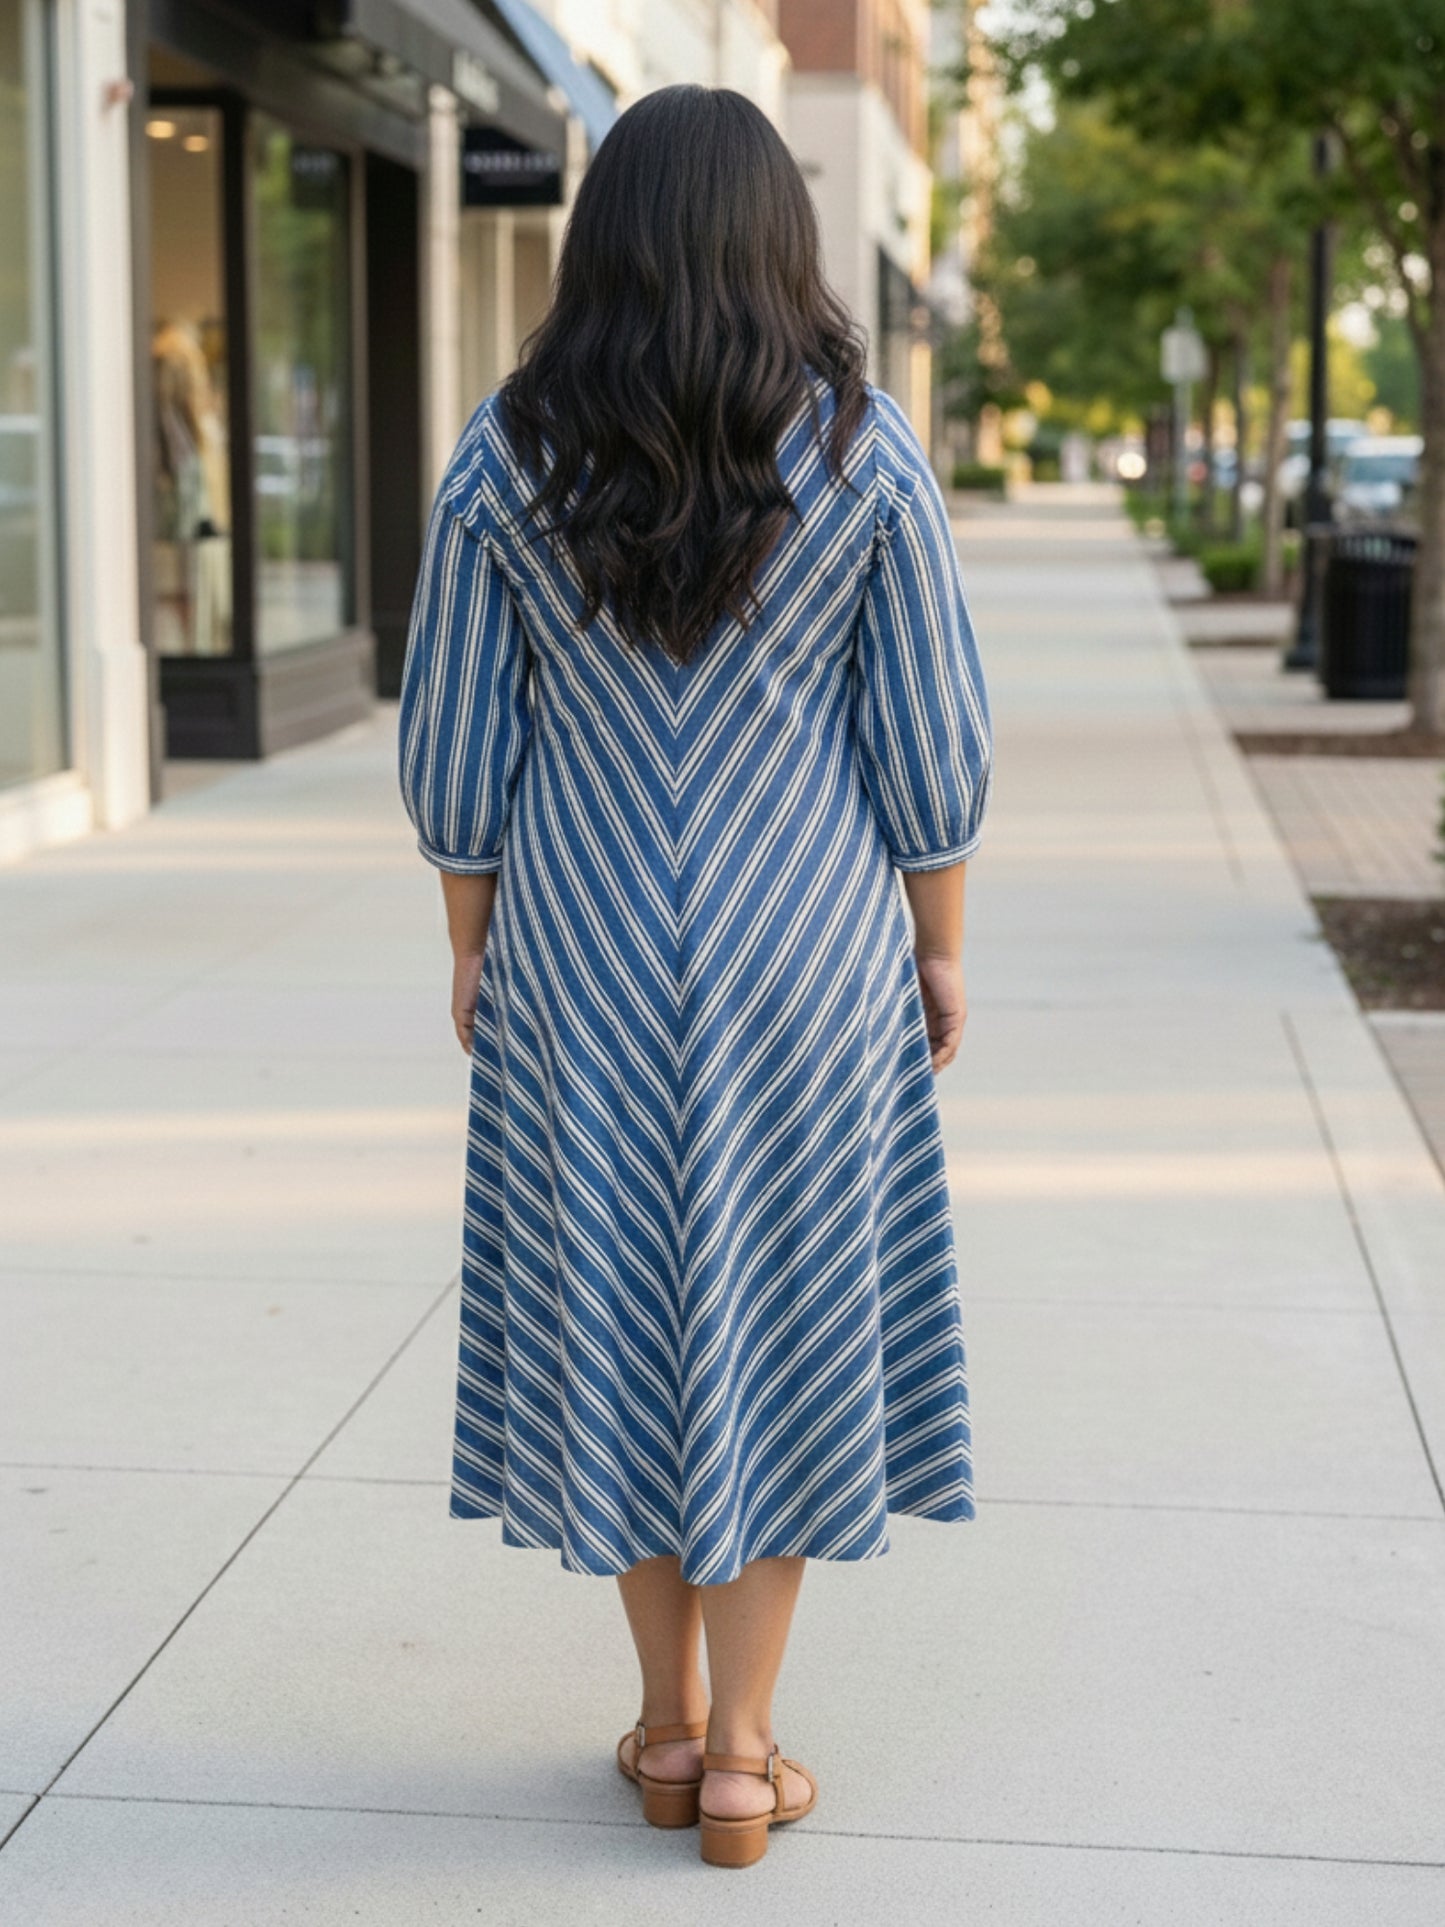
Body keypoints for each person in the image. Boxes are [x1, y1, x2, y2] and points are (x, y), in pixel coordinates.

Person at [398, 83, 994, 1871]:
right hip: (806, 951)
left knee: (622, 1318)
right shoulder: (861, 449)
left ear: (600, 241)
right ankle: (743, 1757)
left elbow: (456, 746)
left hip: (580, 946)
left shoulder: (508, 452)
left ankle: (661, 1729)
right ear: (777, 238)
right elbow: (930, 736)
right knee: (784, 1318)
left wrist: (472, 941)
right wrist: (940, 942)